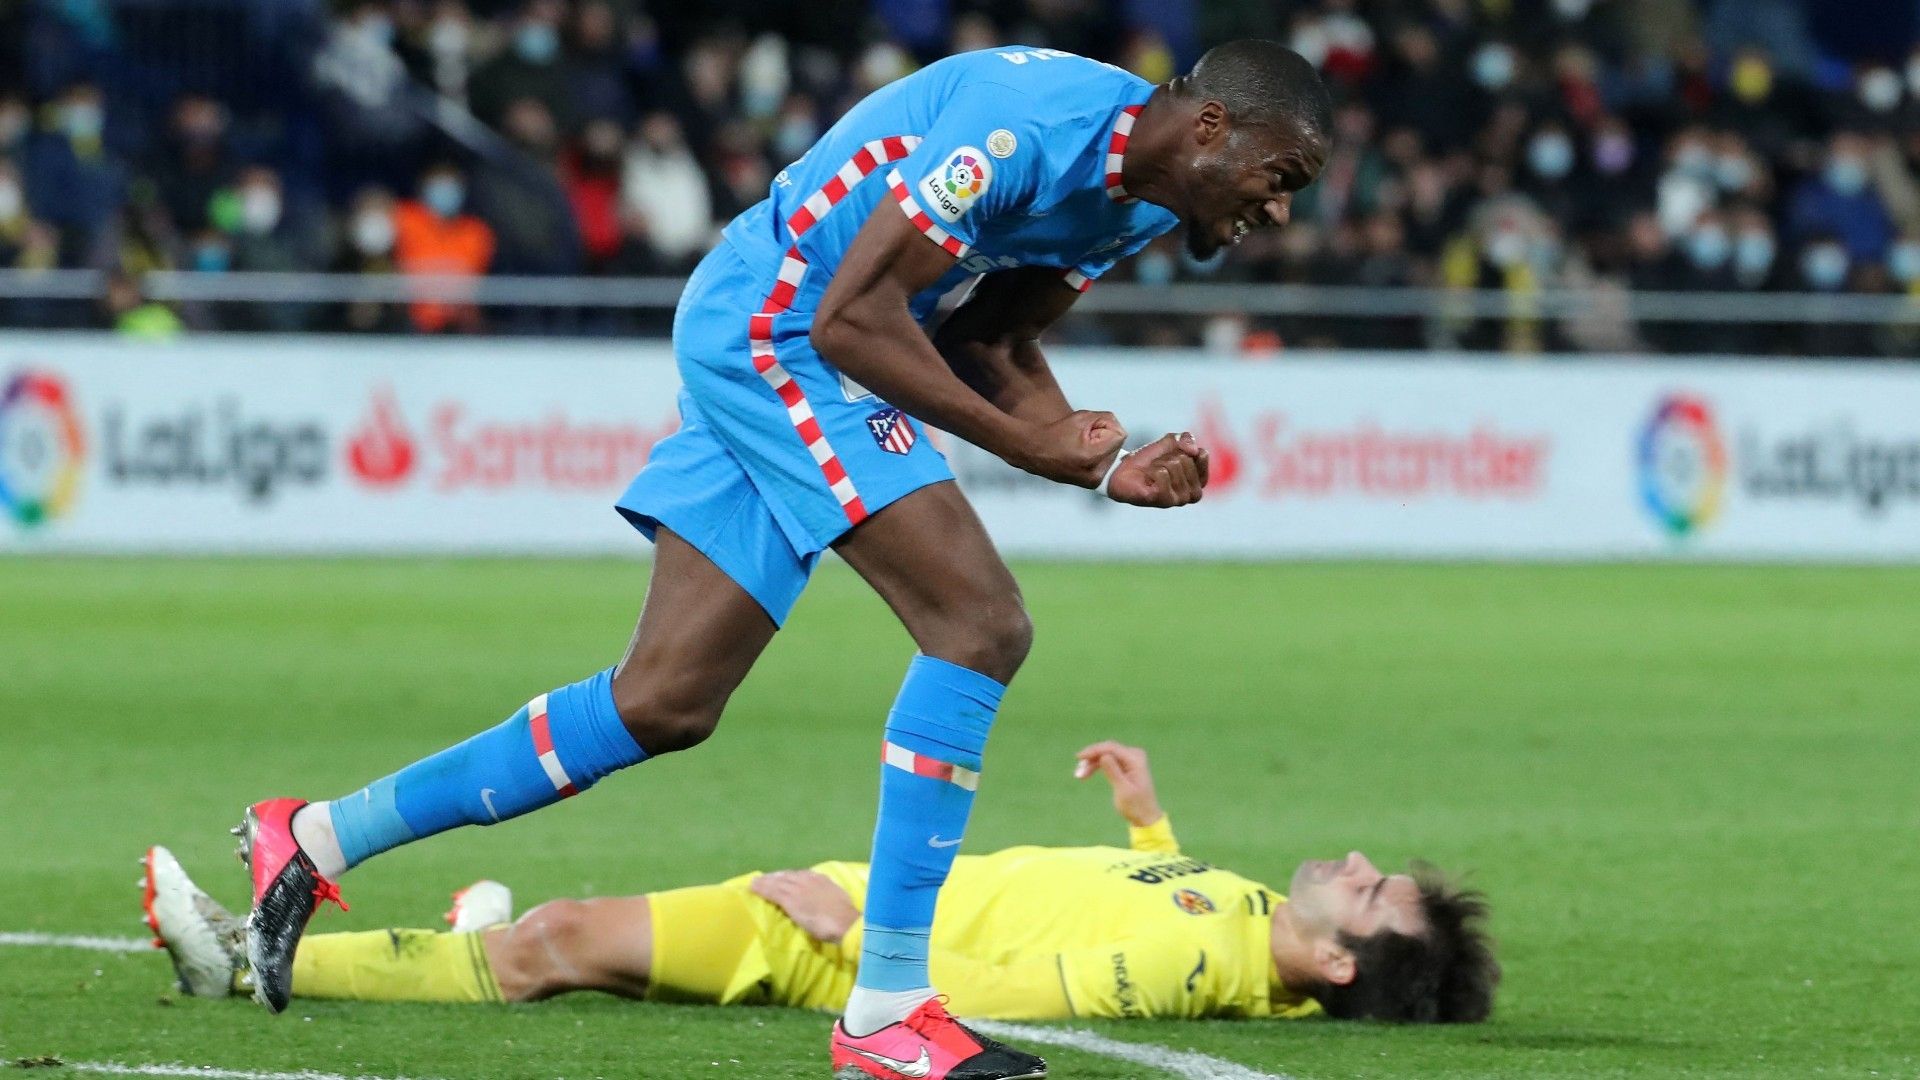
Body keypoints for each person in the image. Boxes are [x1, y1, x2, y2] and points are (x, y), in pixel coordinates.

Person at [233, 41, 1331, 1080]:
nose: (1281, 210)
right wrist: (1029, 447)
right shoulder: (1025, 130)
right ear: (1213, 127)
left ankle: (317, 835)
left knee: (663, 701)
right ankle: (890, 1012)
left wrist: (1101, 467)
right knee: (979, 624)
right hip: (785, 331)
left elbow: (989, 343)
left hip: (801, 332)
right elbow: (855, 320)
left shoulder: (1132, 201)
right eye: (1281, 175)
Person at [154, 744, 1496, 1023]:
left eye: (1376, 900)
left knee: (550, 945)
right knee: (565, 940)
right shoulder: (1251, 918)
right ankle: (456, 930)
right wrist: (1150, 819)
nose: (1364, 869)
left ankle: (245, 954)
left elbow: (1021, 992)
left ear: (1338, 965)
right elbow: (1159, 892)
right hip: (855, 902)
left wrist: (861, 937)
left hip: (833, 940)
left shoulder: (1202, 975)